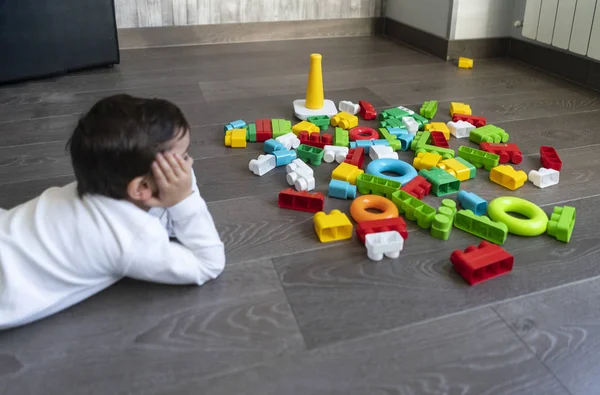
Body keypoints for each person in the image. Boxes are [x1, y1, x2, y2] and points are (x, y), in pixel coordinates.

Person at [0, 94, 226, 330]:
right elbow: (208, 264)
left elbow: (161, 217)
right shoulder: (129, 240)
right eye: (182, 159)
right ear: (141, 188)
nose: (190, 165)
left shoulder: (97, 186)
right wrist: (184, 200)